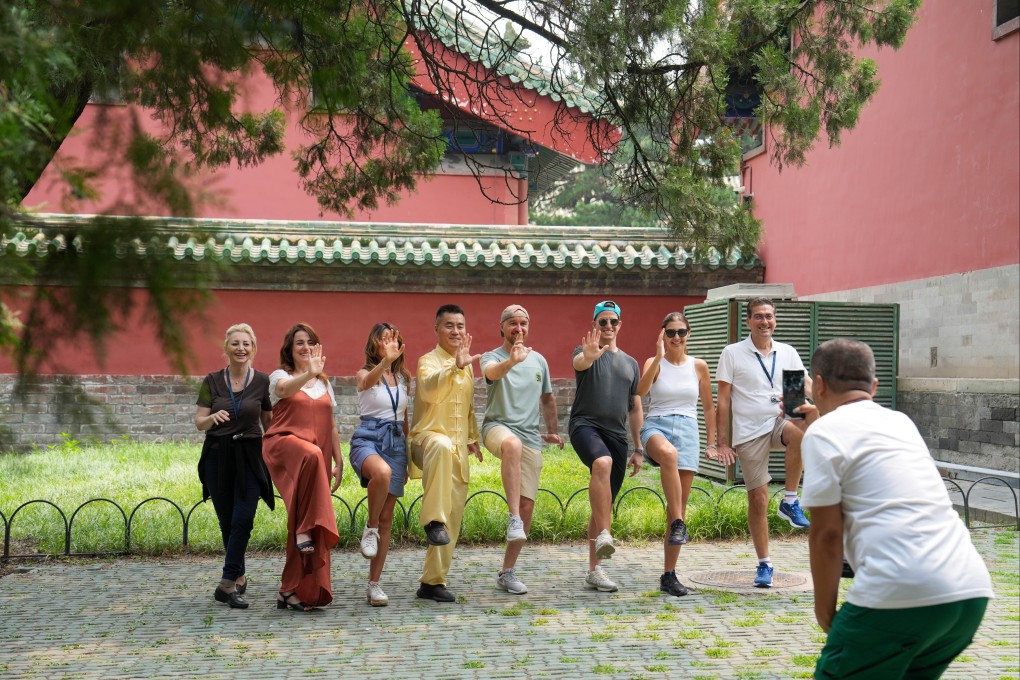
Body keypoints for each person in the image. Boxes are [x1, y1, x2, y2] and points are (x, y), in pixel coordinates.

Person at [801, 339, 993, 679]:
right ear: (873, 386)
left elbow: (827, 533)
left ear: (818, 385)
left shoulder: (822, 432)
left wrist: (825, 611)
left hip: (898, 590)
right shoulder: (901, 422)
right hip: (968, 592)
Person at [714, 297, 811, 588]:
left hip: (778, 421)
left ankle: (791, 500)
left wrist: (825, 396)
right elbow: (723, 400)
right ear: (748, 321)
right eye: (758, 316)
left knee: (802, 431)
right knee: (758, 499)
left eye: (769, 316)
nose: (764, 321)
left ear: (775, 320)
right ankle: (765, 564)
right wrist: (722, 443)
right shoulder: (732, 352)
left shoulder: (788, 352)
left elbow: (799, 391)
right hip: (749, 432)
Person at [480, 304, 563, 595]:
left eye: (523, 324)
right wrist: (512, 362)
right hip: (496, 429)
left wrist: (552, 430)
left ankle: (507, 571)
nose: (519, 329)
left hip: (530, 437)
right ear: (502, 327)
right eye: (513, 323)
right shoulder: (493, 357)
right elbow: (491, 373)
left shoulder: (538, 360)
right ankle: (512, 517)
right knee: (511, 445)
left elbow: (548, 398)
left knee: (529, 505)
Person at [194, 323, 276, 610]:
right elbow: (199, 421)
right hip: (218, 454)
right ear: (226, 349)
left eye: (246, 344)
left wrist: (279, 449)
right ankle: (237, 578)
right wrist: (212, 417)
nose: (241, 348)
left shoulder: (262, 381)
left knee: (244, 518)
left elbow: (268, 422)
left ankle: (226, 583)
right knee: (227, 521)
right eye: (235, 343)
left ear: (253, 349)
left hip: (250, 454)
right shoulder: (213, 380)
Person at [262, 323, 342, 611]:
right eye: (299, 343)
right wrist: (308, 372)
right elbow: (284, 390)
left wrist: (339, 460)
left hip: (317, 461)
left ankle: (291, 591)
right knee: (309, 454)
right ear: (290, 349)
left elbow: (331, 425)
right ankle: (302, 532)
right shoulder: (280, 376)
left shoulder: (324, 383)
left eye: (310, 342)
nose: (305, 347)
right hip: (286, 448)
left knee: (305, 524)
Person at [636, 312, 717, 597]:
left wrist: (712, 442)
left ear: (688, 334)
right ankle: (681, 522)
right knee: (667, 455)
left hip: (688, 431)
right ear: (663, 334)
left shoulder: (699, 366)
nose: (676, 338)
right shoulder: (653, 362)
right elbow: (641, 391)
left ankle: (669, 575)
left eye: (681, 332)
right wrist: (657, 357)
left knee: (674, 509)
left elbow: (708, 408)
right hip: (656, 426)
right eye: (671, 332)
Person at [408, 304, 483, 603]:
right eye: (449, 325)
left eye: (460, 326)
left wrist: (472, 438)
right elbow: (428, 391)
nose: (455, 331)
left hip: (456, 451)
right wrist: (455, 366)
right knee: (439, 445)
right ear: (436, 329)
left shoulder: (468, 367)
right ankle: (431, 520)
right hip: (425, 443)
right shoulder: (428, 361)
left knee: (452, 518)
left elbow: (468, 408)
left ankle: (432, 582)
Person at [569, 300, 642, 593]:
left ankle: (594, 570)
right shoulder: (584, 351)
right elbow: (579, 363)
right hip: (584, 425)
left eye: (613, 322)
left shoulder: (631, 363)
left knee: (603, 501)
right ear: (595, 325)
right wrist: (588, 356)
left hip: (616, 435)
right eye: (603, 322)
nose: (608, 326)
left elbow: (635, 407)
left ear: (620, 325)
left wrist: (637, 447)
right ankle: (605, 532)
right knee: (601, 463)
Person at [350, 323, 410, 607]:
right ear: (374, 344)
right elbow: (365, 383)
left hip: (397, 442)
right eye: (383, 338)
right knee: (381, 473)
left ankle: (374, 585)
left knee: (389, 518)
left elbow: (405, 418)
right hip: (368, 438)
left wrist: (407, 458)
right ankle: (369, 528)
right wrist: (385, 361)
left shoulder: (403, 377)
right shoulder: (365, 372)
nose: (389, 342)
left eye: (393, 338)